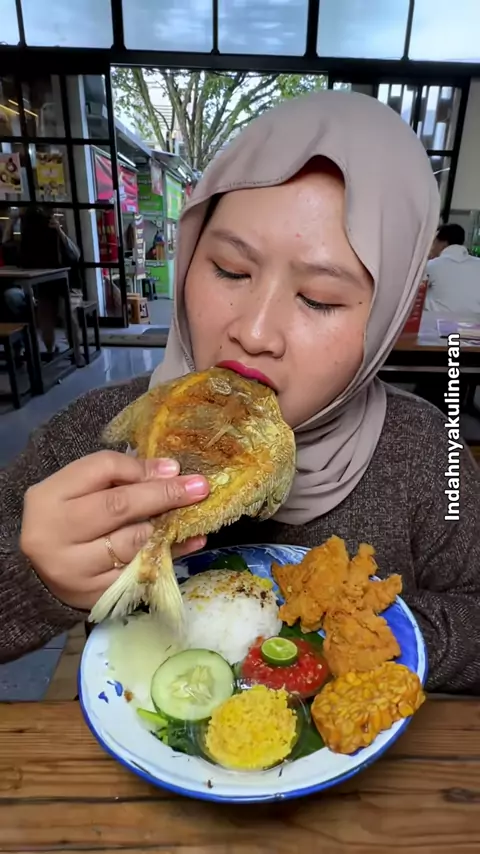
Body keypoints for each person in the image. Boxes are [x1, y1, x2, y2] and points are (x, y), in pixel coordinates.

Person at [1, 91, 479, 694]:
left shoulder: (434, 452)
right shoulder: (100, 429)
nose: (253, 332)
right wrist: (38, 580)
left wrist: (353, 633)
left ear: (386, 317)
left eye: (319, 299)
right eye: (230, 269)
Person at [424, 223, 480, 315]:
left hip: (437, 320)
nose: (431, 247)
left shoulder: (432, 266)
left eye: (434, 242)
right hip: (475, 321)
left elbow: (412, 293)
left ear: (443, 244)